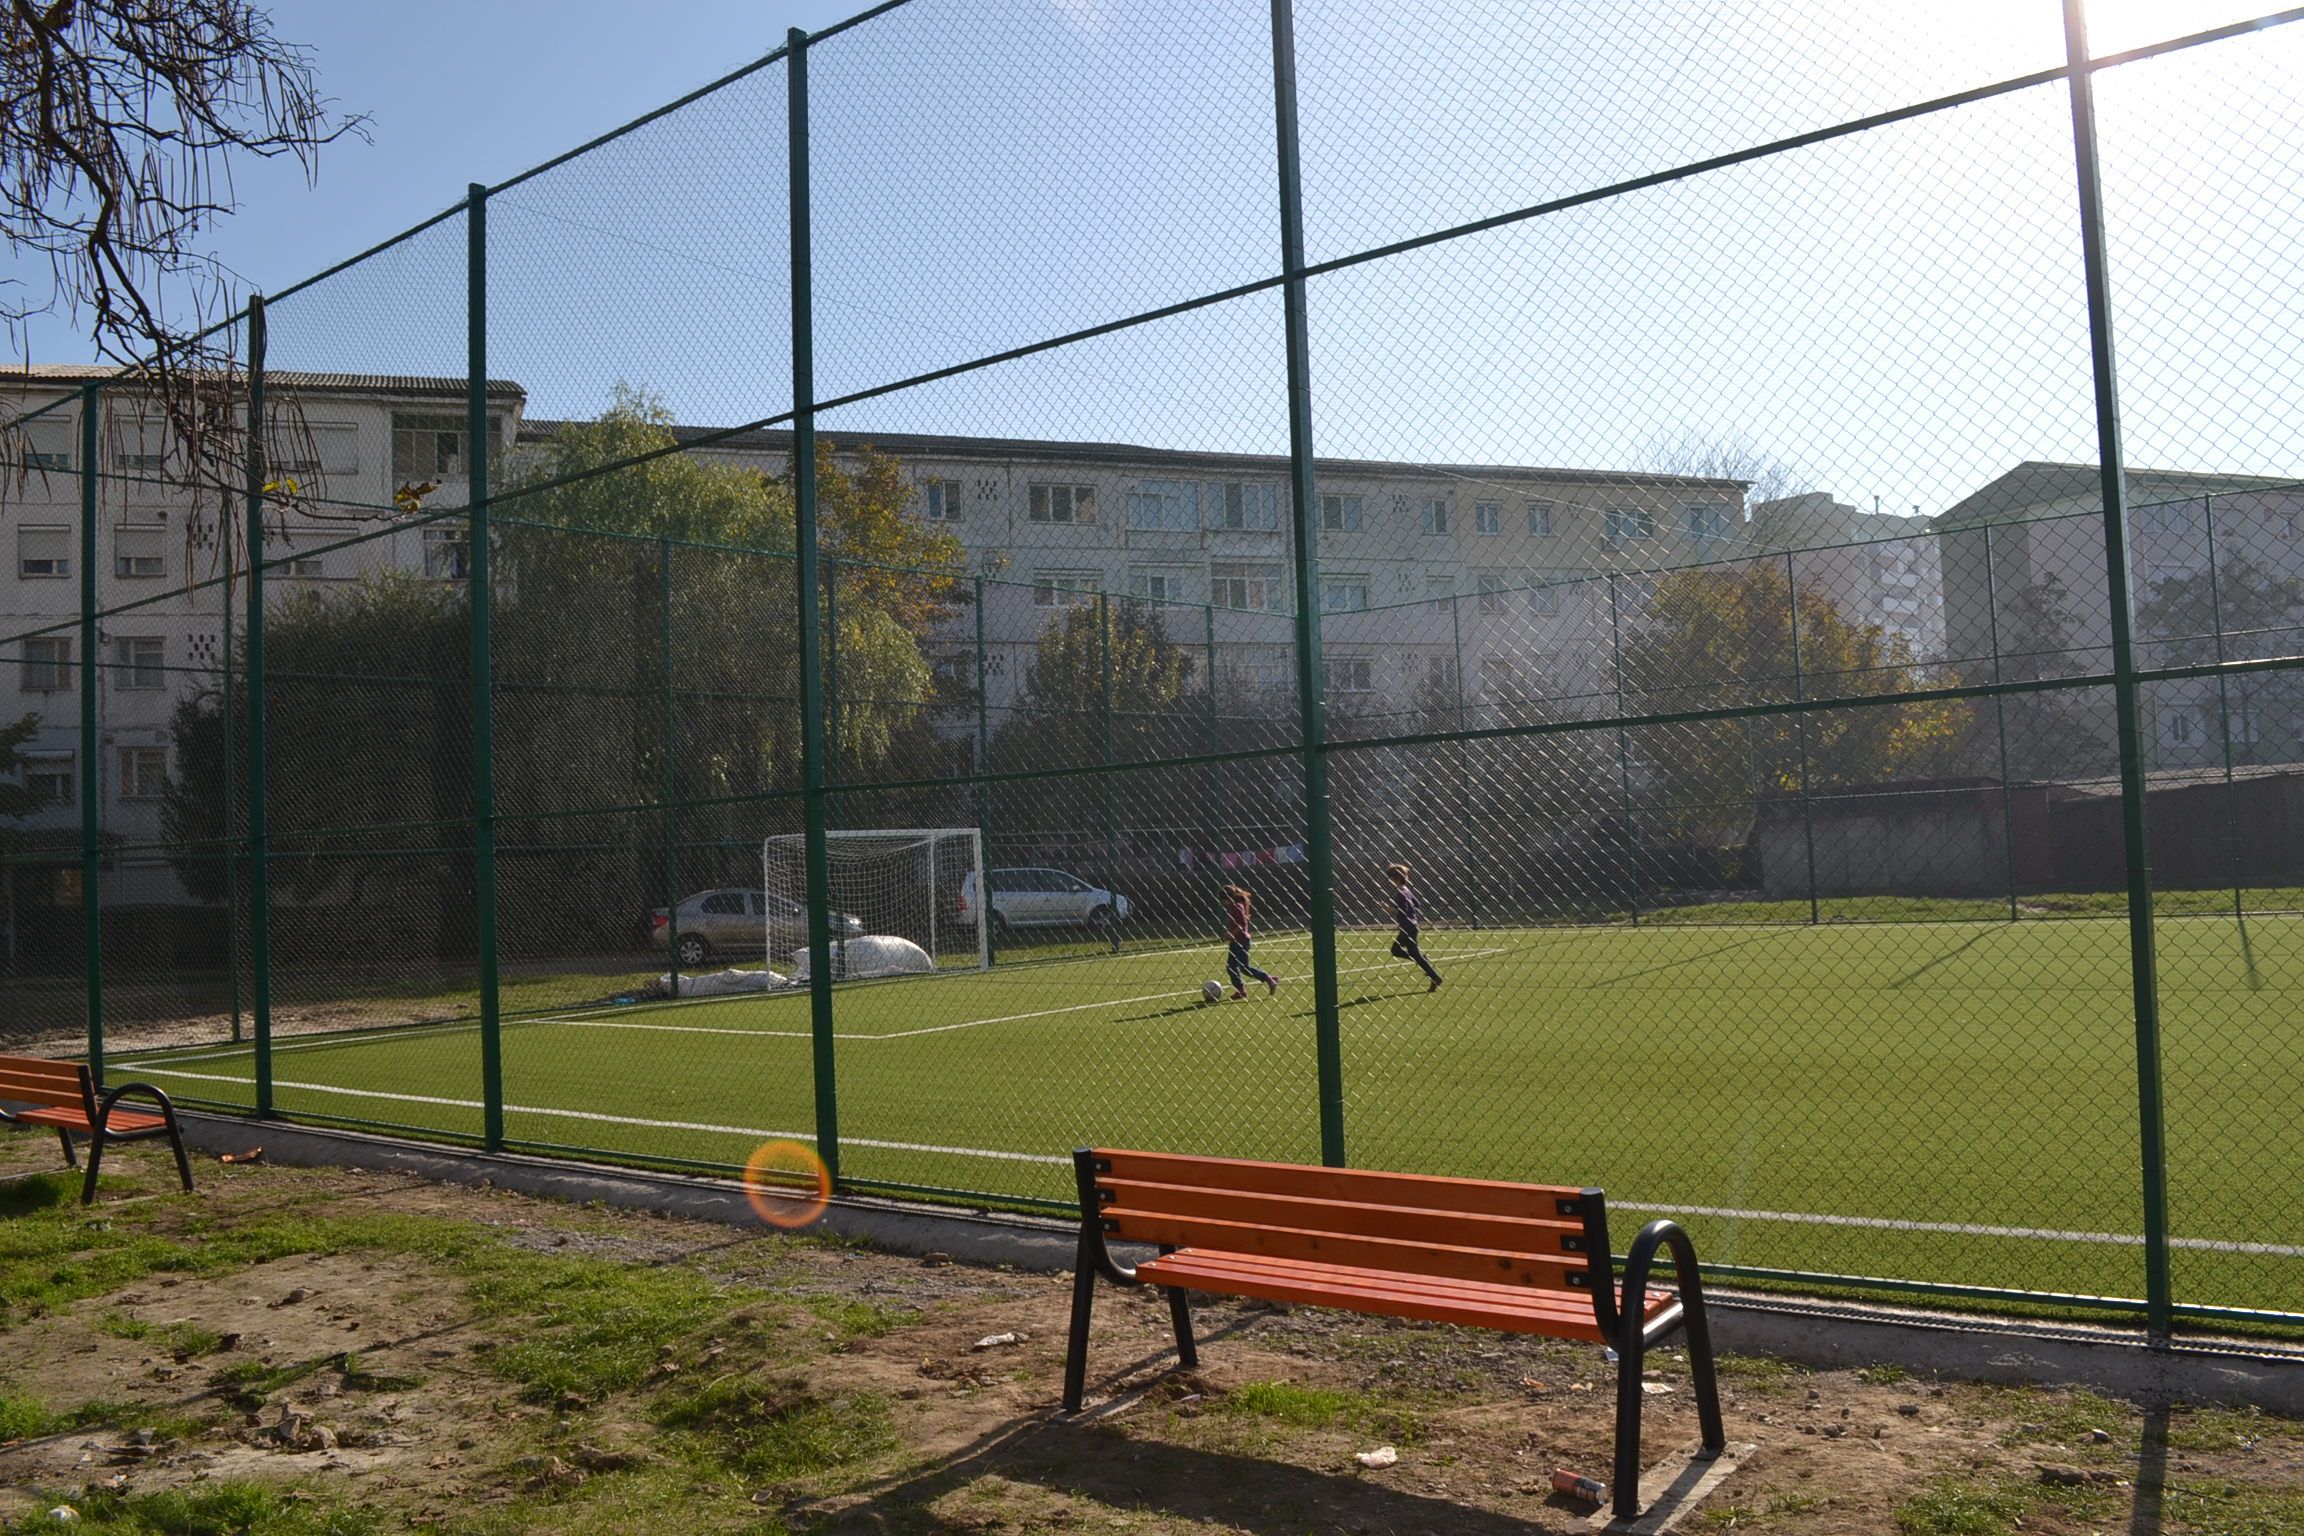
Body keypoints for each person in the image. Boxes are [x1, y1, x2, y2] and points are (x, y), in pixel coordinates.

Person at [1386, 862, 1442, 992]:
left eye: (1392, 878)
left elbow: (1401, 911)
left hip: (1407, 926)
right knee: (1413, 952)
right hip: (1413, 925)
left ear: (1397, 878)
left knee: (1395, 950)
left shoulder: (1400, 893)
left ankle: (1424, 961)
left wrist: (1387, 908)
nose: (1390, 880)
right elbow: (1417, 904)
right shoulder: (1407, 890)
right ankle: (1434, 977)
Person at [1222, 883, 1277, 999]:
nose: (1223, 903)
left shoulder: (1237, 907)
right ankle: (1241, 991)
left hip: (1242, 941)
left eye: (1223, 900)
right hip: (1235, 942)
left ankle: (1268, 979)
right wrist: (1228, 935)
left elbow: (1242, 924)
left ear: (1228, 898)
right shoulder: (1235, 907)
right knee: (1231, 967)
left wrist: (1231, 934)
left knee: (1244, 968)